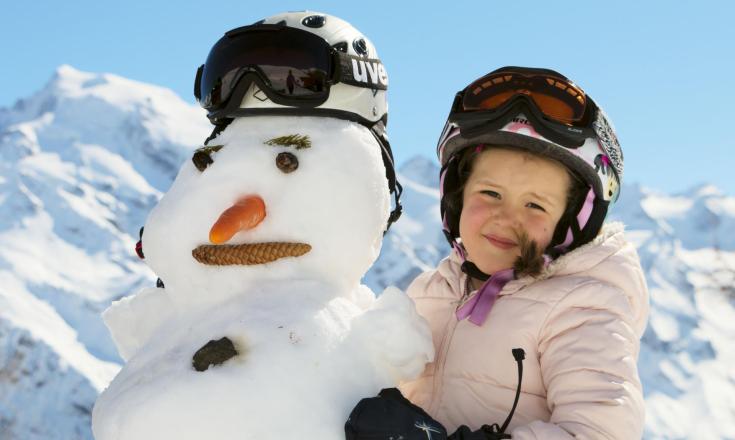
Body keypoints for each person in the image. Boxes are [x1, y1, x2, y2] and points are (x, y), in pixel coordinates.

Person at [393, 66, 650, 439]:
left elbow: (600, 432)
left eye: (535, 206)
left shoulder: (582, 310)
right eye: (490, 194)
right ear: (457, 196)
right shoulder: (429, 291)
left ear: (571, 222)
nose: (506, 217)